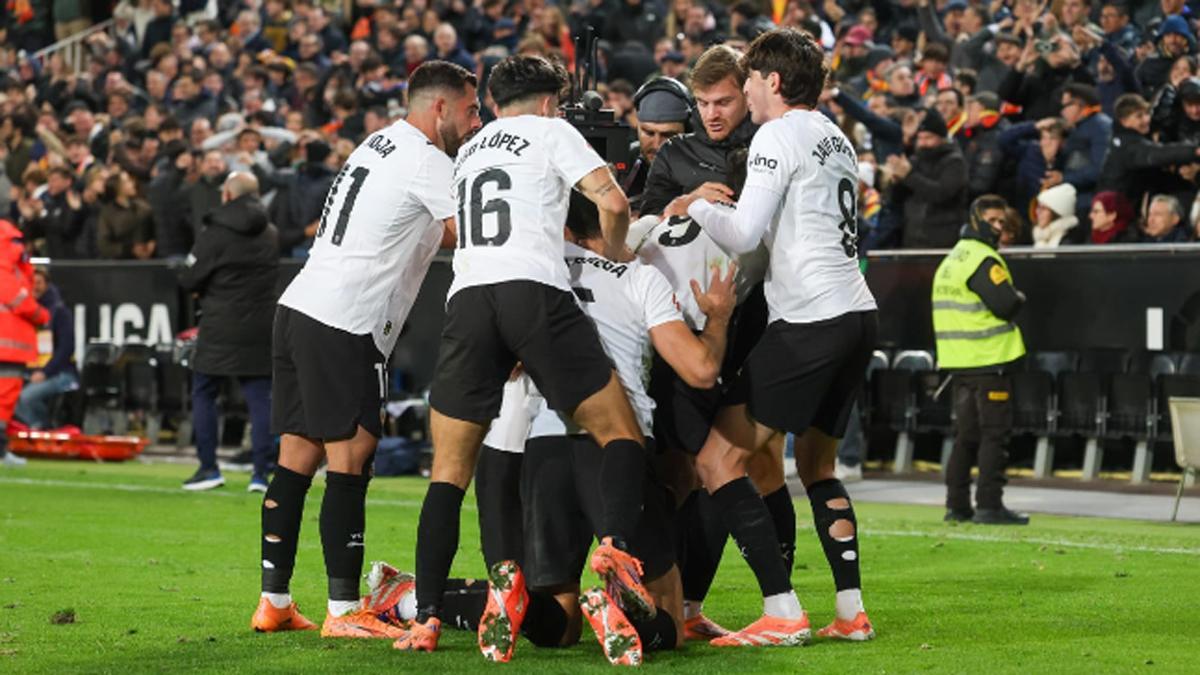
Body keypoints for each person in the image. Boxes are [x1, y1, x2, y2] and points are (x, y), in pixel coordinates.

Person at [400, 55, 651, 656]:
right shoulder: (554, 130)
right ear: (548, 102)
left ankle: (427, 619)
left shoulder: (471, 148)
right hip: (534, 292)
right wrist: (616, 253)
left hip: (467, 301)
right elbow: (612, 203)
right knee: (620, 433)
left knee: (448, 472)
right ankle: (613, 552)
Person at [251, 62, 482, 639]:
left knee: (296, 458)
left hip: (301, 304)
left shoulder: (378, 143)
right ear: (441, 109)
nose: (477, 122)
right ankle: (342, 611)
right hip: (345, 321)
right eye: (472, 110)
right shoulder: (430, 160)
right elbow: (473, 231)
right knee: (351, 459)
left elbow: (432, 228)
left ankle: (274, 600)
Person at [664, 28, 878, 647]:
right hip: (858, 313)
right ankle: (850, 610)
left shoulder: (778, 133)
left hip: (811, 316)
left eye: (751, 80)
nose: (747, 90)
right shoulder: (835, 135)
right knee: (817, 466)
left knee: (716, 459)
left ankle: (783, 609)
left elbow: (742, 231)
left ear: (773, 82)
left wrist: (692, 208)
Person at [178, 172, 279, 493]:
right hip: (261, 324)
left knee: (204, 392)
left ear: (226, 195)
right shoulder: (271, 233)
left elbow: (190, 277)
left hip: (220, 323)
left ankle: (209, 468)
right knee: (260, 399)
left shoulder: (215, 233)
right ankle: (261, 474)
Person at [933, 195, 1030, 526]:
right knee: (993, 435)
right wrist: (1019, 298)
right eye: (993, 220)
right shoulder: (983, 259)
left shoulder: (952, 259)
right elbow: (1005, 304)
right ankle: (989, 505)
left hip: (959, 364)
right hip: (989, 361)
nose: (999, 228)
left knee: (966, 437)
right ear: (976, 220)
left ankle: (956, 506)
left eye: (1002, 222)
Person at [0, 220, 50, 468]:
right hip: (8, 343)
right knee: (4, 399)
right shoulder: (7, 256)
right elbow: (14, 296)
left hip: (10, 342)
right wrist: (38, 313)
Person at [887, 108, 970, 248]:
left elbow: (941, 193)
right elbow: (896, 199)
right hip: (913, 236)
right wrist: (896, 181)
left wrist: (909, 176)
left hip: (943, 237)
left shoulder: (955, 162)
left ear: (942, 138)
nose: (923, 143)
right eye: (920, 138)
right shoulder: (914, 160)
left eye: (929, 138)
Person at [14, 268, 77, 431]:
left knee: (26, 397)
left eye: (39, 283)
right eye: (32, 283)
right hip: (31, 371)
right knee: (9, 395)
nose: (35, 287)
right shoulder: (25, 312)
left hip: (61, 373)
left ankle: (42, 427)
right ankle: (35, 427)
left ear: (47, 285)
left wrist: (45, 372)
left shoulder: (59, 311)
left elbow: (66, 348)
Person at [624, 78, 691, 214]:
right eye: (649, 133)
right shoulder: (626, 161)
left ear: (688, 130)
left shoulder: (703, 166)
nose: (657, 144)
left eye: (668, 135)